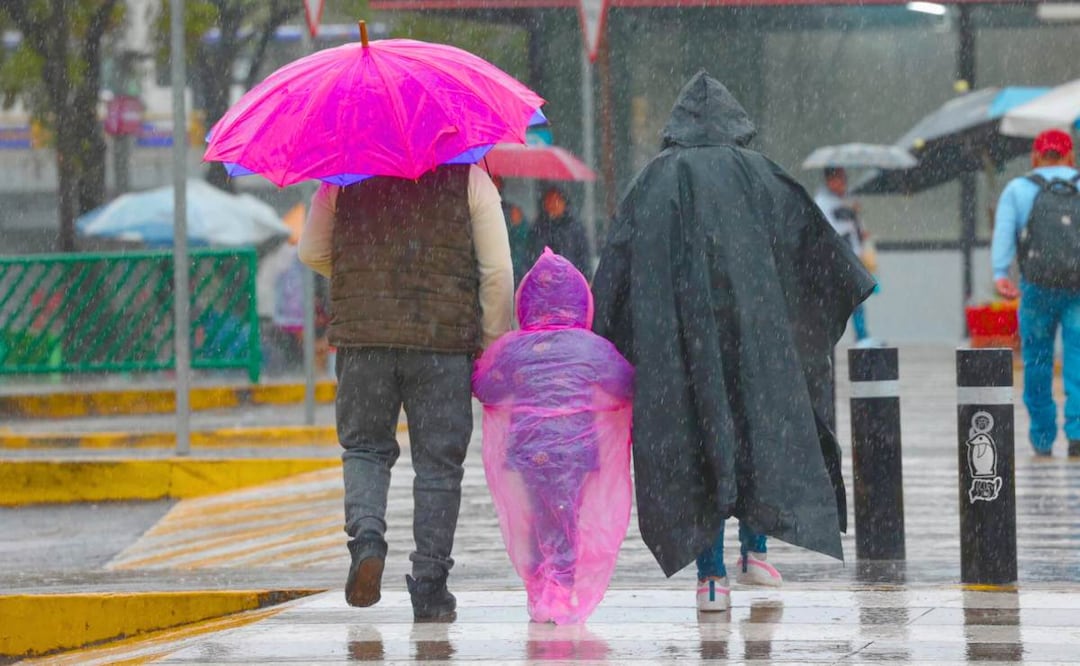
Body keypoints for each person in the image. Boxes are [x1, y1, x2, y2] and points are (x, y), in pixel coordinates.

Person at [591, 71, 875, 612]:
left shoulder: (651, 181)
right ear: (735, 123)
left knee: (694, 445)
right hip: (756, 341)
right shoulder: (762, 176)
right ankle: (756, 550)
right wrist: (843, 289)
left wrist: (614, 341)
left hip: (680, 348)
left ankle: (711, 576)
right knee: (755, 434)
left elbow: (617, 273)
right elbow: (812, 247)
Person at [298, 163, 514, 621]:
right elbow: (497, 271)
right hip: (442, 344)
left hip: (364, 341)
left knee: (365, 449)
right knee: (438, 465)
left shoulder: (343, 174)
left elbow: (310, 250)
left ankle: (368, 540)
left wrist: (364, 274)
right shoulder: (469, 179)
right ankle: (431, 587)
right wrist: (493, 345)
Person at [473, 249, 634, 624]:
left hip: (527, 452)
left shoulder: (513, 349)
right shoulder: (592, 348)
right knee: (566, 514)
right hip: (576, 452)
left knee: (537, 516)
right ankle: (559, 590)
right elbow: (626, 383)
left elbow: (485, 388)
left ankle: (540, 585)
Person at [991, 128, 1080, 458]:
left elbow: (1004, 234)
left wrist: (1001, 274)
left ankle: (1042, 436)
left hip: (1037, 288)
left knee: (1037, 361)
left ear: (1035, 157)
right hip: (1078, 289)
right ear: (1071, 156)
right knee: (1078, 359)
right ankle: (1078, 432)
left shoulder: (1018, 188)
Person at [814, 166, 878, 347]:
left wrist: (859, 225)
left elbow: (855, 229)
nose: (843, 183)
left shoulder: (849, 200)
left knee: (857, 298)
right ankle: (826, 338)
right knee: (836, 301)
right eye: (839, 179)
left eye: (844, 179)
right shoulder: (822, 202)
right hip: (835, 260)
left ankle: (862, 336)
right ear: (830, 180)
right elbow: (829, 229)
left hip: (853, 257)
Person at [529, 185, 591, 279]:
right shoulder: (538, 227)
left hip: (570, 280)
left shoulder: (575, 227)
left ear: (564, 203)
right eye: (549, 201)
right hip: (543, 282)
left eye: (557, 200)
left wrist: (586, 277)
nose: (553, 204)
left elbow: (583, 256)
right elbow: (531, 255)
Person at [491, 175, 533, 286]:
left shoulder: (511, 211)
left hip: (507, 270)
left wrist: (518, 225)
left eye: (496, 181)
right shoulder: (475, 208)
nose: (493, 185)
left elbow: (523, 242)